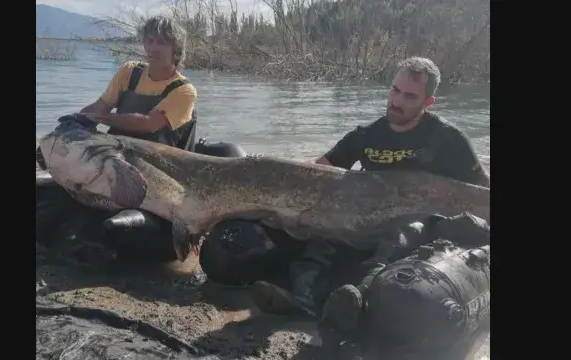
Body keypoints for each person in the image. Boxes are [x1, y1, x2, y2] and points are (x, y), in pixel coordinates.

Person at [249, 57, 490, 332]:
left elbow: (481, 187)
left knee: (398, 236)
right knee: (325, 234)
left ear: (428, 102)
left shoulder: (449, 138)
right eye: (394, 90)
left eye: (409, 96)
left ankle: (359, 301)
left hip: (418, 224)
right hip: (368, 217)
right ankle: (303, 297)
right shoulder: (366, 135)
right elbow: (316, 172)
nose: (396, 101)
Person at [79, 15, 198, 151]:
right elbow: (101, 105)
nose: (153, 48)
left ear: (176, 51)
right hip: (117, 152)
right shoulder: (130, 71)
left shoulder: (184, 90)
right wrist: (77, 120)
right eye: (150, 41)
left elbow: (148, 124)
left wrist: (100, 118)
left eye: (161, 42)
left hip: (157, 161)